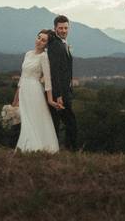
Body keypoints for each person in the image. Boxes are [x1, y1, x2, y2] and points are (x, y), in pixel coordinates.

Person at [12, 29, 61, 153]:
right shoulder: (28, 54)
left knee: (32, 120)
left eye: (43, 40)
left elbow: (48, 80)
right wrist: (15, 98)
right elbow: (22, 77)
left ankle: (32, 149)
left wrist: (50, 100)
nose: (39, 41)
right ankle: (26, 148)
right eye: (39, 38)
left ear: (46, 44)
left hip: (34, 92)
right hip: (23, 90)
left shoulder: (44, 57)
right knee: (25, 120)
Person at [47, 14, 77, 150]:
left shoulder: (63, 44)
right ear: (55, 28)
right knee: (69, 123)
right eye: (61, 28)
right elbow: (55, 71)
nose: (64, 30)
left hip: (66, 91)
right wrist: (58, 95)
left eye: (66, 28)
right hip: (59, 94)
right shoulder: (54, 45)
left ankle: (63, 149)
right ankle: (71, 150)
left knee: (61, 122)